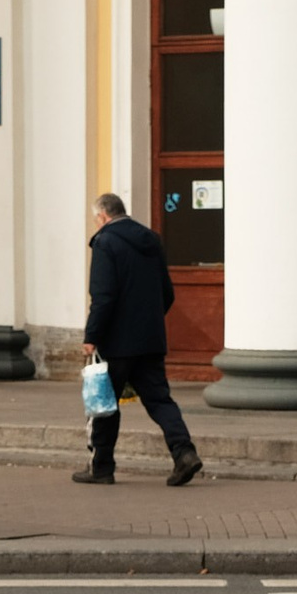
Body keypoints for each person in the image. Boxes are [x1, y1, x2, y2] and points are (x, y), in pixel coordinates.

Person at [76, 192, 200, 487]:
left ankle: (101, 468)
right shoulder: (151, 240)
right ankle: (185, 453)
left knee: (105, 405)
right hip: (150, 339)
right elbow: (166, 292)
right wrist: (149, 321)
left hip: (117, 342)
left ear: (103, 216)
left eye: (96, 219)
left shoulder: (105, 242)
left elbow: (103, 296)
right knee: (159, 400)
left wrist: (92, 335)